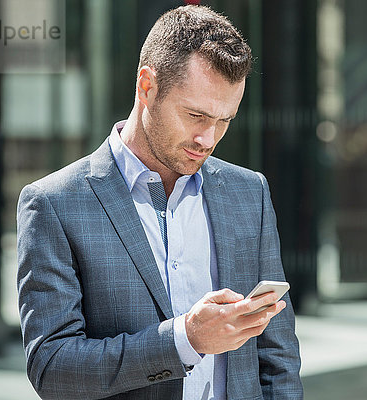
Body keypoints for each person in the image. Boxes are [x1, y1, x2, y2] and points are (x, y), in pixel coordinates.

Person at [17, 5, 302, 399]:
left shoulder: (248, 192)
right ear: (147, 86)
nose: (208, 138)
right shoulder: (55, 204)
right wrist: (184, 339)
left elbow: (278, 359)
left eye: (224, 120)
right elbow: (52, 369)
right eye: (196, 115)